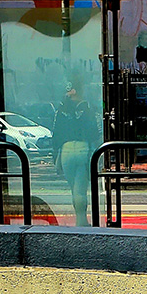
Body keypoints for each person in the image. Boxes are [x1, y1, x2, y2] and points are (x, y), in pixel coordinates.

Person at [52, 80, 96, 227]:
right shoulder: (87, 107)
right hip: (83, 148)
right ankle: (82, 221)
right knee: (81, 189)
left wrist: (55, 156)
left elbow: (56, 135)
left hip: (66, 149)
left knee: (74, 188)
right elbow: (94, 132)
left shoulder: (61, 109)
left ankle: (80, 219)